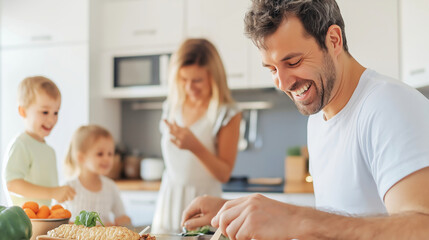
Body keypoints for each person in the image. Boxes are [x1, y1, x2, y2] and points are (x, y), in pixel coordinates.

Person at [181, 0, 429, 239]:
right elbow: (340, 221)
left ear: (333, 40)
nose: (283, 83)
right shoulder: (319, 119)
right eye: (272, 69)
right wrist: (238, 212)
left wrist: (297, 219)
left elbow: (422, 227)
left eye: (293, 62)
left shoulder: (388, 105)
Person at [152, 38, 242, 234]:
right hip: (168, 201)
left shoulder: (227, 113)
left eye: (197, 80)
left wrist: (195, 146)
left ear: (214, 77)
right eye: (183, 80)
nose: (189, 87)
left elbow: (223, 174)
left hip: (205, 207)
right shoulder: (171, 107)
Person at [3, 76, 76, 207]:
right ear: (23, 111)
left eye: (56, 112)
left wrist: (58, 194)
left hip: (42, 219)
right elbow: (12, 184)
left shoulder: (49, 150)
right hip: (23, 220)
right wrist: (53, 192)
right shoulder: (21, 144)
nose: (51, 119)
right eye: (45, 112)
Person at [63, 125, 131, 226]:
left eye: (110, 153)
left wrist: (123, 222)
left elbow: (123, 218)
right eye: (100, 154)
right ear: (81, 157)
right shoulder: (67, 187)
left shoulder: (111, 187)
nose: (107, 159)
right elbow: (57, 222)